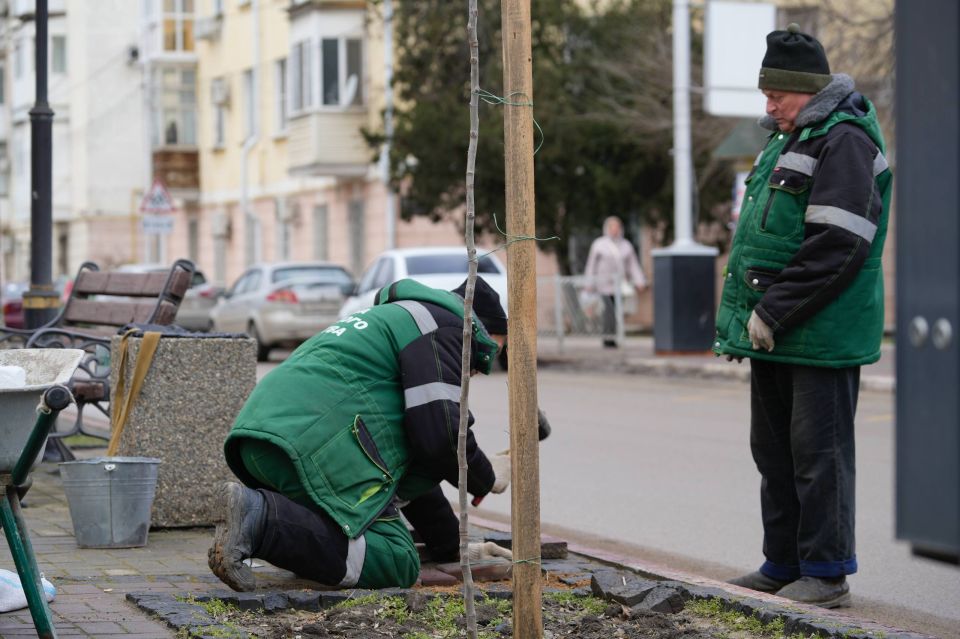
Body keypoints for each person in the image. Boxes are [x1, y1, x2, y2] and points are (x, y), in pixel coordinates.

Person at [714, 24, 892, 609]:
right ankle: (783, 563)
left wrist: (773, 309)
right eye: (765, 92)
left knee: (820, 456)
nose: (768, 104)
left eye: (777, 94)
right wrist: (754, 317)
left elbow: (840, 244)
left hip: (819, 331)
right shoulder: (790, 136)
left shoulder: (845, 140)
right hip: (780, 330)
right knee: (775, 454)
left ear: (809, 90)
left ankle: (827, 571)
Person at [208, 276, 514, 591]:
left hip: (265, 438)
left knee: (342, 533)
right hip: (313, 446)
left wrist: (451, 545)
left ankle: (263, 519)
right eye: (487, 357)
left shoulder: (399, 318)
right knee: (397, 559)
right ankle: (259, 519)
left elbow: (420, 457)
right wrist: (486, 477)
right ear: (482, 332)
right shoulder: (447, 328)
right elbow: (441, 435)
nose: (477, 370)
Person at [583, 216, 647, 347]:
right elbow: (591, 265)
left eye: (617, 227)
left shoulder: (626, 246)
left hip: (620, 286)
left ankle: (613, 335)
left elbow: (633, 265)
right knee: (609, 311)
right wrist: (588, 283)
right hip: (604, 286)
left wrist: (640, 281)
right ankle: (608, 338)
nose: (615, 230)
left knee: (618, 311)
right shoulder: (599, 245)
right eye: (612, 227)